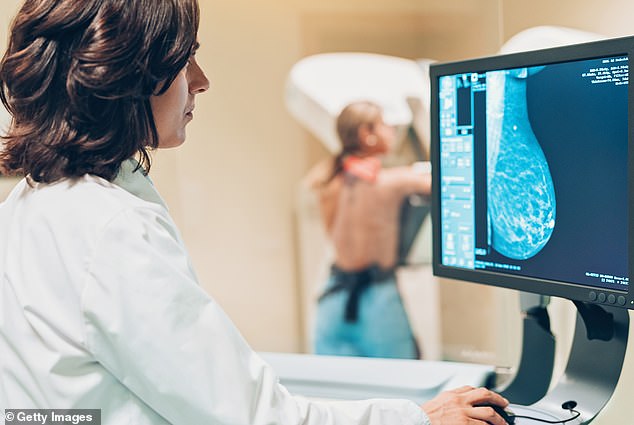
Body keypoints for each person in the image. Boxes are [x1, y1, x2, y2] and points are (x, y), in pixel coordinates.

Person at [0, 1, 510, 424]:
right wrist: (419, 420)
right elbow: (256, 417)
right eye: (185, 61)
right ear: (127, 75)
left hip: (340, 297)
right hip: (367, 299)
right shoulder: (108, 227)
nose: (201, 82)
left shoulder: (29, 204)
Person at [309, 101, 431, 359]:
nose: (393, 132)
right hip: (377, 301)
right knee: (402, 382)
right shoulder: (391, 182)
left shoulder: (326, 179)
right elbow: (447, 181)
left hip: (333, 298)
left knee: (336, 389)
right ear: (367, 134)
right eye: (386, 125)